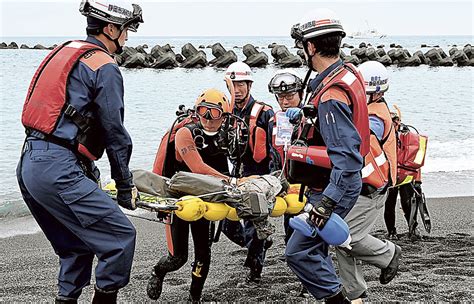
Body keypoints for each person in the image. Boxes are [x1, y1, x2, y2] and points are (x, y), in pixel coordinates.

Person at [16, 1, 143, 303]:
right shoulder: (105, 65)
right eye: (126, 32)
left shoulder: (64, 52)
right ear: (111, 29)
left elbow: (60, 120)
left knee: (76, 247)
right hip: (58, 168)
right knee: (120, 239)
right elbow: (114, 133)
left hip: (29, 164)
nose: (127, 39)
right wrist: (125, 186)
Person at [284, 9, 370, 302]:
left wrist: (326, 204)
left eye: (302, 46)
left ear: (311, 47)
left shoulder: (332, 95)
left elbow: (346, 157)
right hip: (329, 184)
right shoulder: (347, 72)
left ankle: (338, 300)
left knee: (298, 252)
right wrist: (310, 114)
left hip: (335, 186)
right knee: (314, 247)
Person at [147, 89, 246, 302]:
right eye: (203, 111)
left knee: (203, 254)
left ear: (225, 115)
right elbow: (198, 167)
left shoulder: (228, 135)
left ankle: (195, 298)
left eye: (215, 112)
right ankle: (158, 272)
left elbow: (237, 163)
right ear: (196, 111)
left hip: (205, 202)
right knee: (178, 258)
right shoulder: (185, 133)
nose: (208, 118)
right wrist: (233, 182)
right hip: (178, 200)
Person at [334, 61, 402, 301]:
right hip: (360, 187)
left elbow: (360, 138)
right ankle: (355, 292)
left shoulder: (375, 117)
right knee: (340, 236)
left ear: (377, 92)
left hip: (372, 189)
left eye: (362, 91)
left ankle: (388, 254)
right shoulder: (369, 109)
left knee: (346, 236)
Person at [221, 61, 275, 283]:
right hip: (238, 174)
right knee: (227, 225)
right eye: (233, 84)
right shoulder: (225, 113)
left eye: (241, 83)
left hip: (260, 176)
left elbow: (274, 148)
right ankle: (258, 246)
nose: (237, 89)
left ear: (250, 85)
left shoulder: (264, 113)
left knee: (254, 225)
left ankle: (255, 273)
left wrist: (274, 178)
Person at [267, 69, 304, 249]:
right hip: (286, 183)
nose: (285, 101)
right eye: (280, 97)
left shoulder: (312, 118)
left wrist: (303, 119)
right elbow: (270, 153)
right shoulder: (273, 122)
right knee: (290, 229)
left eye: (289, 95)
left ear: (300, 93)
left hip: (309, 186)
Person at [384, 110, 426, 240]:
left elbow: (416, 161)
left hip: (405, 174)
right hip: (391, 174)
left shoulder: (409, 137)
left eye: (395, 119)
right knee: (390, 204)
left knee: (407, 203)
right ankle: (392, 232)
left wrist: (418, 180)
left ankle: (413, 229)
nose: (394, 122)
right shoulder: (384, 135)